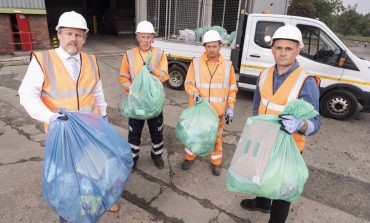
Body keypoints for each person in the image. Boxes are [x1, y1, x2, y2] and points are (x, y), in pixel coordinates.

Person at [18, 11, 119, 222]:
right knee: (67, 181)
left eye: (79, 35)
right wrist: (50, 117)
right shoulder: (43, 60)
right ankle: (69, 217)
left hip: (91, 132)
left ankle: (92, 209)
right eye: (69, 33)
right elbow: (27, 95)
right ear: (59, 34)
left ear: (84, 38)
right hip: (62, 134)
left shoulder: (91, 61)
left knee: (92, 174)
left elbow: (98, 93)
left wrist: (104, 117)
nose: (74, 39)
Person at [239, 25, 321, 223]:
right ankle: (262, 202)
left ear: (298, 50)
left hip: (288, 146)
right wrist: (254, 127)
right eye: (278, 48)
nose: (282, 53)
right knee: (262, 176)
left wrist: (300, 124)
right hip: (264, 140)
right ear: (272, 49)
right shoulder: (264, 74)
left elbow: (315, 124)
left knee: (283, 192)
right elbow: (258, 105)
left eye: (289, 48)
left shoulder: (306, 81)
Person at [181, 30, 238, 176]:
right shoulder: (195, 63)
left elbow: (232, 88)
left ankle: (216, 162)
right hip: (199, 111)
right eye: (208, 46)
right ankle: (189, 158)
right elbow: (188, 83)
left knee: (216, 138)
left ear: (220, 46)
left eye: (214, 46)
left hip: (217, 113)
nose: (211, 49)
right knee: (194, 135)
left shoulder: (228, 66)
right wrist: (194, 93)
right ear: (204, 47)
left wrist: (230, 107)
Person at [119, 21, 169, 170]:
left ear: (153, 37)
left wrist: (154, 70)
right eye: (143, 37)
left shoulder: (159, 54)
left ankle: (157, 155)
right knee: (134, 132)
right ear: (137, 37)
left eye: (149, 37)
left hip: (154, 102)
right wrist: (131, 90)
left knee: (156, 131)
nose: (146, 40)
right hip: (137, 102)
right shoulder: (129, 55)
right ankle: (133, 158)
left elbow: (165, 77)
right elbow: (123, 76)